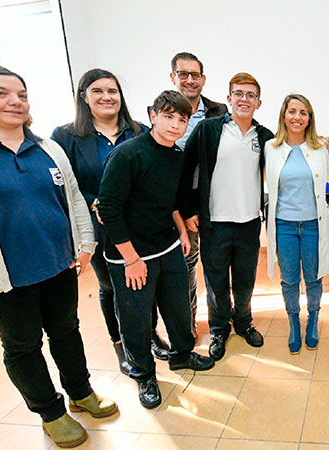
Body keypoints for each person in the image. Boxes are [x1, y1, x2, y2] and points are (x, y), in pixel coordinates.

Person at [0, 65, 117, 448]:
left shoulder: (46, 147)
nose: (15, 101)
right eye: (0, 93)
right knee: (22, 347)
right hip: (4, 277)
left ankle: (80, 392)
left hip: (59, 265)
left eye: (22, 94)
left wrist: (85, 243)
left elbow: (72, 197)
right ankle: (51, 413)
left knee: (67, 332)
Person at [97, 90, 215, 409]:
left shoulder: (176, 155)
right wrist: (131, 259)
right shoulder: (127, 155)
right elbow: (108, 208)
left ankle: (181, 355)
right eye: (169, 117)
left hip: (167, 245)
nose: (175, 124)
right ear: (153, 116)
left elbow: (171, 200)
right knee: (136, 320)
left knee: (178, 307)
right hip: (131, 255)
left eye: (182, 119)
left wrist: (182, 232)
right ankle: (144, 374)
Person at [51, 68, 169, 374]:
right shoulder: (65, 137)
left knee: (145, 283)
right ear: (84, 97)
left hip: (139, 225)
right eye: (98, 91)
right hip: (99, 226)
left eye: (112, 91)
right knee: (112, 287)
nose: (107, 97)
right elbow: (64, 183)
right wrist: (95, 201)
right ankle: (121, 344)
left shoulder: (140, 131)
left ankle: (150, 334)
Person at [177, 73, 274, 361]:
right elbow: (186, 169)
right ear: (229, 98)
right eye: (239, 94)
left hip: (249, 222)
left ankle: (243, 322)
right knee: (216, 282)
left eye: (250, 95)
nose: (244, 99)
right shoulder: (208, 130)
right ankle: (219, 330)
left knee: (245, 280)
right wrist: (188, 211)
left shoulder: (265, 137)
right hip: (214, 223)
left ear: (258, 103)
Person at [264, 94, 329, 354]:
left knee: (314, 277)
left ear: (309, 119)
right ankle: (294, 322)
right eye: (292, 111)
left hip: (312, 226)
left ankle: (313, 319)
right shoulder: (271, 148)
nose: (297, 117)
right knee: (289, 279)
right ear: (284, 115)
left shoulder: (319, 149)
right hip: (283, 225)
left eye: (303, 112)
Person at [169, 52, 229, 337]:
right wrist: (184, 210)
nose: (190, 80)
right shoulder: (164, 114)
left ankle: (221, 319)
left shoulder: (220, 112)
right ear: (173, 78)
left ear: (203, 79)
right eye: (183, 74)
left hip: (215, 204)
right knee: (186, 264)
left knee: (217, 264)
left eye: (195, 75)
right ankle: (188, 322)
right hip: (179, 205)